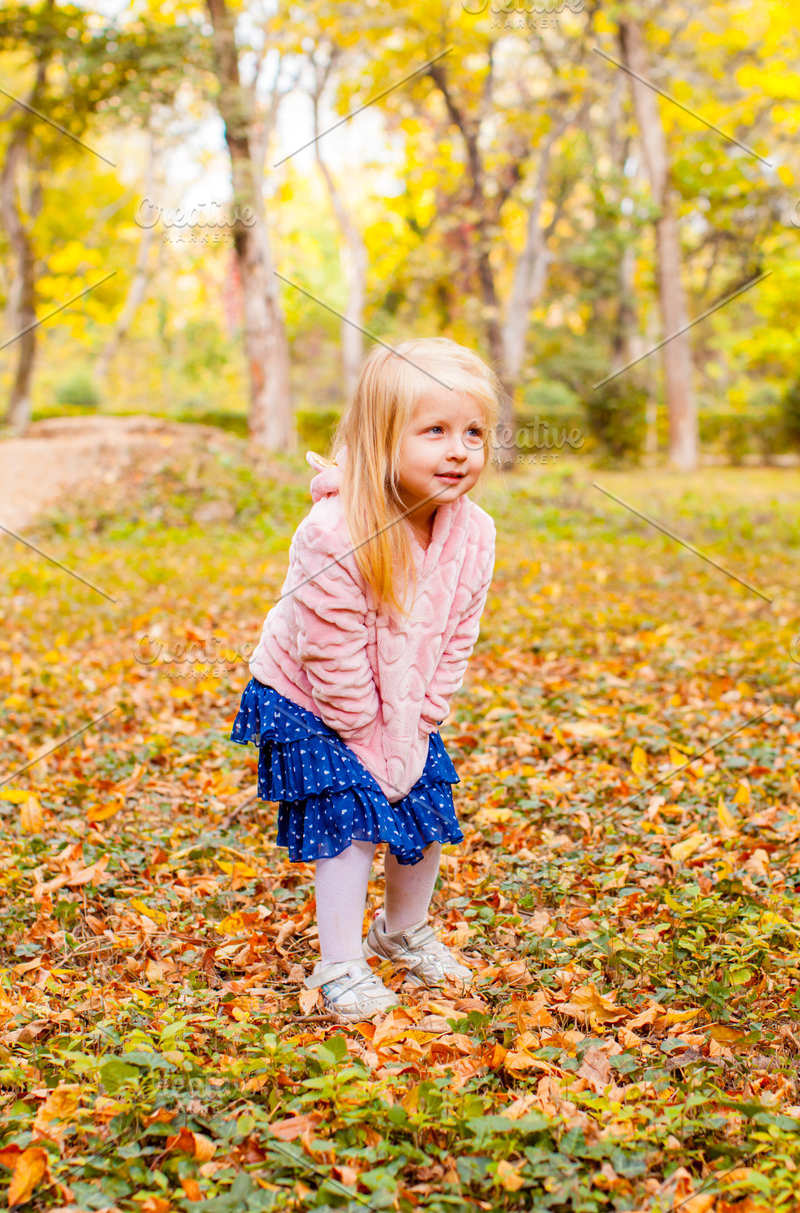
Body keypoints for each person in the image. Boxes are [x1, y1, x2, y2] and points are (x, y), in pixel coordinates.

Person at [231, 337, 498, 1023]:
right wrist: (369, 740)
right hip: (312, 696)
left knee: (425, 803)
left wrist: (425, 717)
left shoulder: (475, 534)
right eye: (435, 431)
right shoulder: (333, 532)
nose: (459, 449)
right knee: (348, 817)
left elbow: (458, 631)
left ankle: (401, 930)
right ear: (382, 440)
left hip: (403, 693)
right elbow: (331, 654)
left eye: (474, 432)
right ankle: (340, 964)